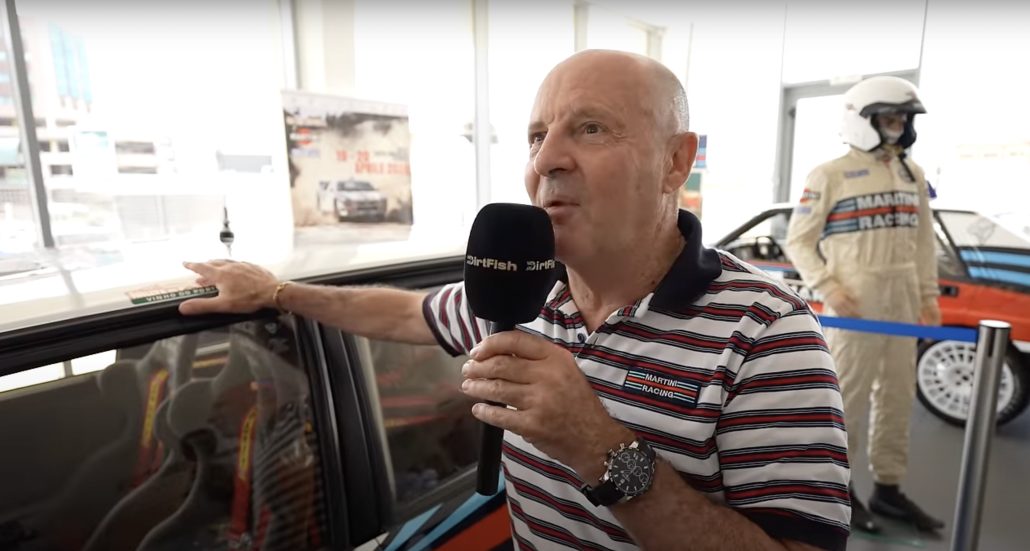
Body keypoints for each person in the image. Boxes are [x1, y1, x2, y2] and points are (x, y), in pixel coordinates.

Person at [181, 50, 850, 550]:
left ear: (676, 162)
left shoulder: (768, 333)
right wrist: (275, 291)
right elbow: (405, 313)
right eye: (536, 136)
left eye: (591, 128)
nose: (546, 159)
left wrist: (597, 444)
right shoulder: (526, 288)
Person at [784, 76, 942, 534]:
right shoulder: (829, 174)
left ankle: (888, 490)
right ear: (863, 120)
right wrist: (828, 287)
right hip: (854, 305)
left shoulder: (912, 174)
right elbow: (799, 240)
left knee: (897, 397)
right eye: (889, 117)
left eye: (902, 118)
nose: (897, 125)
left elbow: (924, 243)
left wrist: (928, 296)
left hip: (902, 304)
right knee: (846, 399)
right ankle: (840, 489)